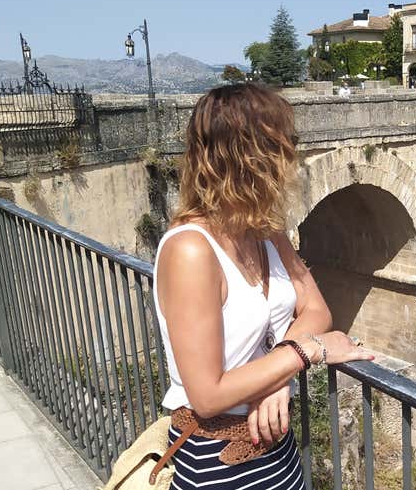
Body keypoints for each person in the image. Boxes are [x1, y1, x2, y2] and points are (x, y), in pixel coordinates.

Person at [153, 83, 372, 490]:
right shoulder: (191, 251)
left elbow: (317, 309)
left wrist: (276, 381)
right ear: (247, 157)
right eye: (282, 145)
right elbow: (207, 395)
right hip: (217, 461)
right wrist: (309, 352)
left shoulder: (266, 231)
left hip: (276, 448)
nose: (290, 158)